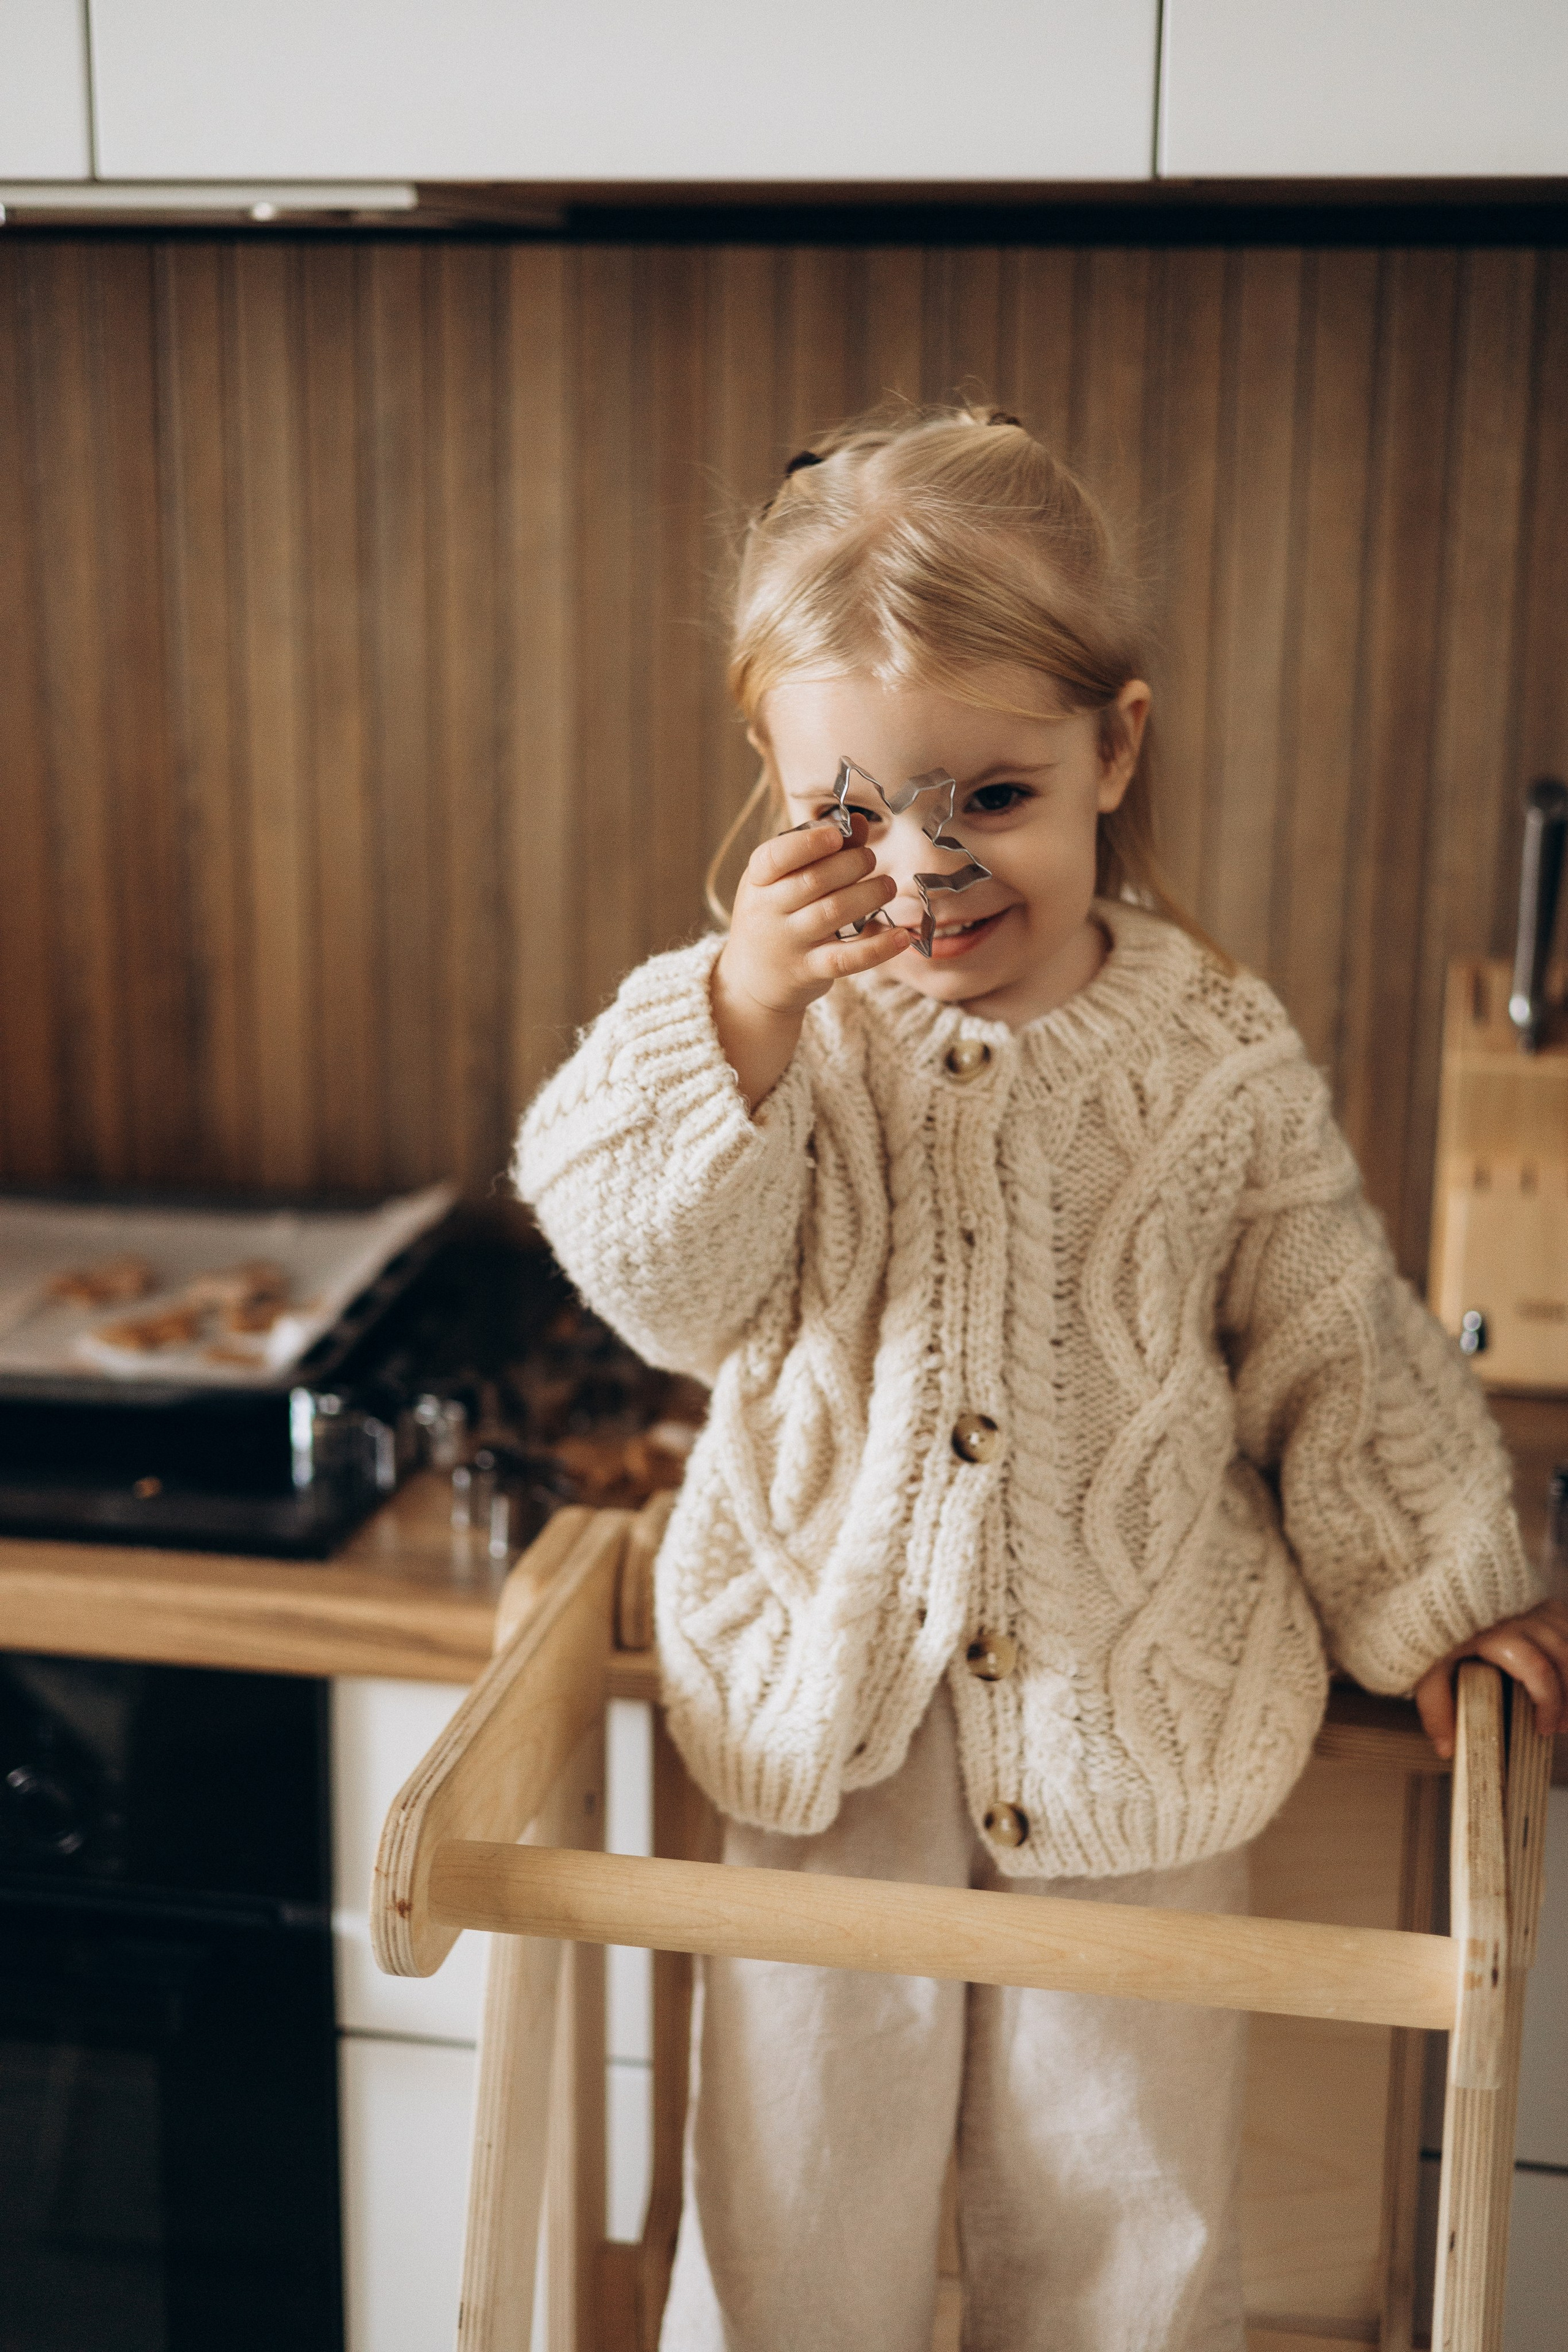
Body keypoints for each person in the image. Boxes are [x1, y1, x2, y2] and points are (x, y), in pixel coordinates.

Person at [514, 403, 1567, 2352]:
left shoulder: (1211, 1056)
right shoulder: (770, 1035)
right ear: (772, 770)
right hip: (828, 1738)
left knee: (1125, 2233)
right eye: (854, 812)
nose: (922, 868)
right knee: (795, 2222)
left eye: (990, 800)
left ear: (1116, 750)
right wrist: (739, 1017)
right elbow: (657, 1287)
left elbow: (1329, 1334)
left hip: (1138, 1719)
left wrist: (1444, 1592)